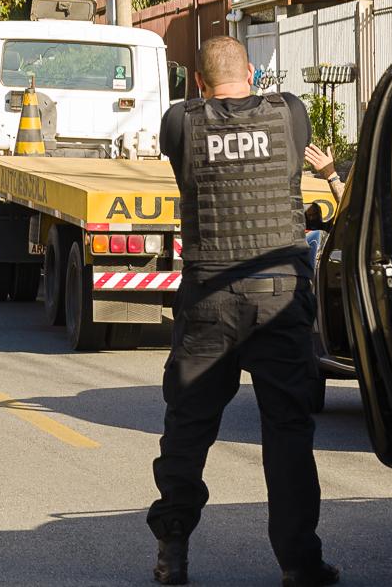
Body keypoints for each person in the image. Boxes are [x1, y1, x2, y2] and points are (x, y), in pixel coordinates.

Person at [147, 37, 338, 587]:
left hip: (210, 297)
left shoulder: (181, 122)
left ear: (200, 85)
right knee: (287, 433)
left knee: (188, 428)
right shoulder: (291, 112)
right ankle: (299, 563)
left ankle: (173, 554)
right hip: (279, 298)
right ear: (252, 73)